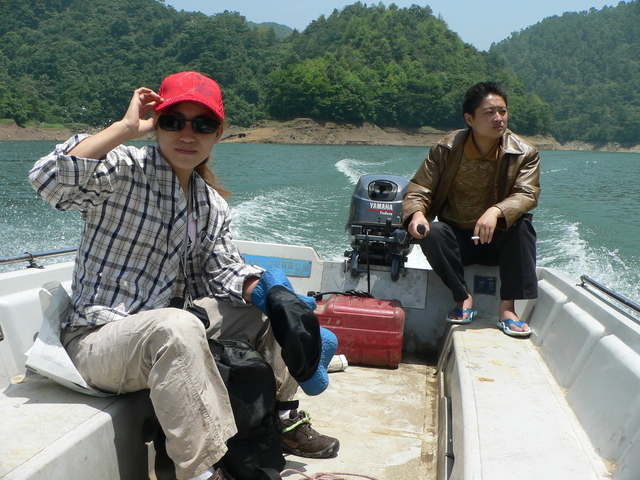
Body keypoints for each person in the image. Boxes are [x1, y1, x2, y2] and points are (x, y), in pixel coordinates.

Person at [28, 71, 339, 480]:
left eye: (203, 125)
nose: (187, 134)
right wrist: (123, 129)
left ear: (218, 134)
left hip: (163, 330)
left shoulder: (210, 204)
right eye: (174, 121)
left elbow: (223, 270)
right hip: (97, 339)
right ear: (157, 124)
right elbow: (47, 179)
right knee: (176, 326)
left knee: (271, 309)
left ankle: (281, 417)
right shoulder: (123, 168)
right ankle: (199, 473)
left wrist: (273, 293)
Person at [402, 81, 540, 338]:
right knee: (430, 232)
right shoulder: (446, 149)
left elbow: (527, 193)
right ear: (469, 118)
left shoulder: (525, 153)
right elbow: (420, 187)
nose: (499, 118)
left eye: (503, 111)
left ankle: (508, 309)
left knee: (522, 226)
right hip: (458, 240)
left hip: (498, 239)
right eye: (490, 112)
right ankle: (463, 297)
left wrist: (496, 211)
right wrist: (417, 213)